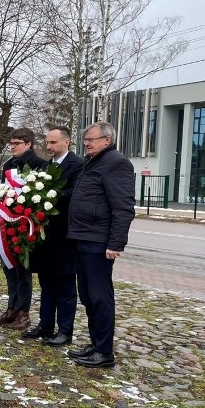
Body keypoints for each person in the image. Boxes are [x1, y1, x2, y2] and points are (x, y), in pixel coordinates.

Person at [66, 121, 135, 368]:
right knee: (87, 295)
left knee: (99, 297)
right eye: (85, 139)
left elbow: (123, 207)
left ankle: (104, 352)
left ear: (107, 140)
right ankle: (96, 344)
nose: (87, 143)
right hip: (82, 238)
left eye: (92, 139)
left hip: (98, 241)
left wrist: (116, 243)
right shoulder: (92, 162)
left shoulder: (117, 163)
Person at [22, 126, 84, 346]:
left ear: (66, 142)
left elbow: (75, 193)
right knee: (46, 283)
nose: (48, 147)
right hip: (46, 235)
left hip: (65, 235)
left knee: (65, 286)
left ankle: (65, 331)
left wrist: (51, 194)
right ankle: (45, 325)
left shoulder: (78, 165)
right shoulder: (47, 166)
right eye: (47, 142)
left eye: (53, 143)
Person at [0, 127, 47, 330]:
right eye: (11, 143)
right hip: (7, 221)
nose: (12, 146)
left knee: (23, 271)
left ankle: (23, 313)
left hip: (26, 224)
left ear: (29, 144)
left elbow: (41, 196)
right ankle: (11, 309)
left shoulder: (39, 165)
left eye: (17, 143)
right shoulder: (8, 164)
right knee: (9, 268)